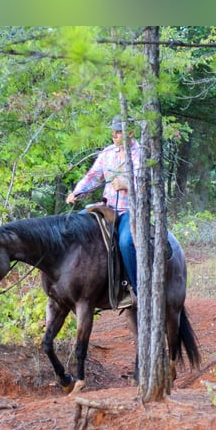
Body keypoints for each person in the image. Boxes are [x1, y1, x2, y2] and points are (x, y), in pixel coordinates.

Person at [66, 115, 141, 300]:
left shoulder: (141, 154)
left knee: (125, 242)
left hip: (129, 210)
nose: (114, 136)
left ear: (130, 133)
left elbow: (148, 184)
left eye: (119, 132)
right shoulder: (108, 153)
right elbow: (92, 176)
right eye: (113, 132)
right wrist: (77, 192)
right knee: (76, 224)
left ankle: (138, 289)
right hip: (107, 208)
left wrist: (127, 184)